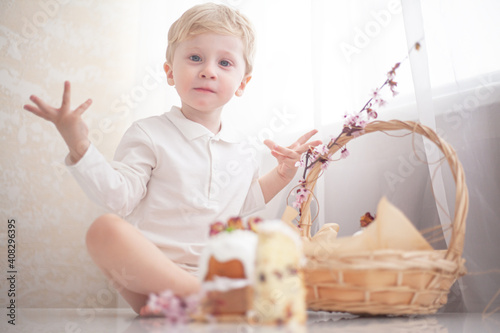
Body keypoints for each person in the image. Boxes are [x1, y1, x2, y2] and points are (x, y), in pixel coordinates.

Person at [23, 3, 320, 314]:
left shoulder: (243, 147)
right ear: (169, 72)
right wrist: (78, 143)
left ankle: (189, 304)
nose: (208, 70)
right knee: (104, 231)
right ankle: (199, 299)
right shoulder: (149, 134)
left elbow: (241, 203)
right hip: (149, 275)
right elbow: (119, 198)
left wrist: (282, 174)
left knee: (268, 248)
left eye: (225, 62)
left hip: (214, 271)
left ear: (243, 83)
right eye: (195, 58)